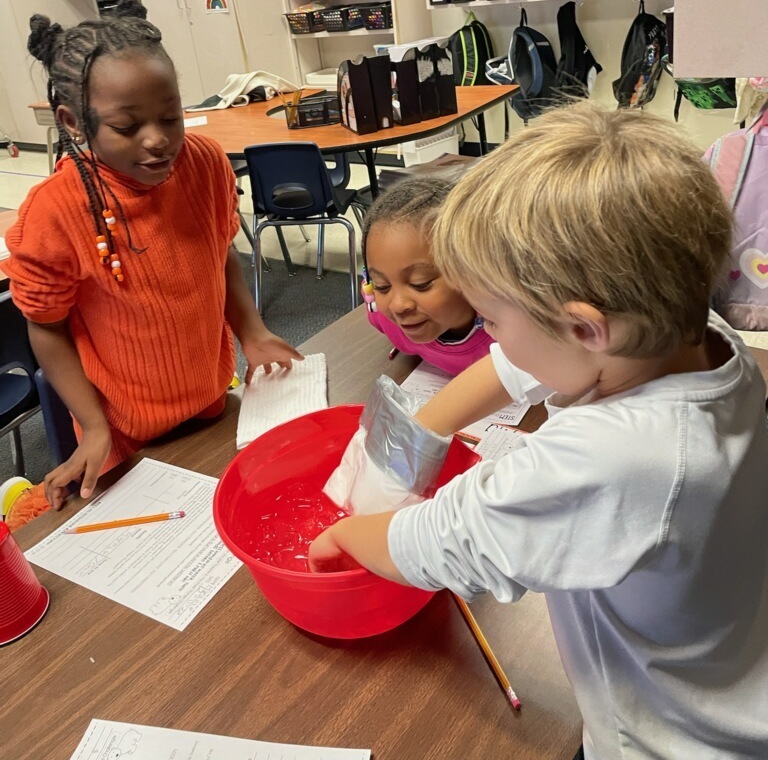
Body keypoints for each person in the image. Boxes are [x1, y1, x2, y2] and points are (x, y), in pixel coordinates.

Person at [310, 102, 768, 759]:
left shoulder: (616, 456)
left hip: (673, 738)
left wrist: (346, 533)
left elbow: (445, 539)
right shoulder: (699, 338)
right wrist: (424, 427)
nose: (489, 337)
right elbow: (517, 365)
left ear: (585, 329)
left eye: (491, 319)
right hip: (736, 663)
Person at [3, 0, 302, 513]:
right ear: (74, 121)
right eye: (126, 127)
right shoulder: (54, 212)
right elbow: (45, 326)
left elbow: (218, 251)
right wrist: (94, 426)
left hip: (212, 400)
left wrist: (250, 331)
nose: (159, 140)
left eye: (171, 116)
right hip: (120, 434)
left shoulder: (204, 163)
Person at [362, 174, 493, 375]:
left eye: (420, 283)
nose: (398, 305)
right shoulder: (383, 318)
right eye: (382, 285)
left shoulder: (510, 330)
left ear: (472, 269)